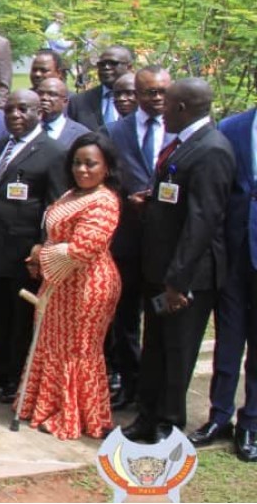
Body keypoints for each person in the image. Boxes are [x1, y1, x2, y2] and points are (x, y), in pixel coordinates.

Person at [125, 78, 235, 444]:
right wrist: (151, 201)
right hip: (160, 267)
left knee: (178, 351)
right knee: (155, 346)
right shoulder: (181, 146)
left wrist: (178, 282)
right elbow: (177, 200)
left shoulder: (212, 150)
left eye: (166, 103)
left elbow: (203, 221)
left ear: (183, 109)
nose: (158, 108)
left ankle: (167, 424)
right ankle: (146, 414)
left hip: (187, 277)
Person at [17, 133, 123, 439]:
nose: (83, 170)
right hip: (59, 283)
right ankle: (45, 405)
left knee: (77, 350)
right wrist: (41, 256)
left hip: (88, 285)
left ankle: (74, 413)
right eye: (77, 163)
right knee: (52, 344)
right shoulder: (71, 194)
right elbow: (56, 236)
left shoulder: (104, 201)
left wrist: (41, 253)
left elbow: (82, 249)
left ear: (107, 168)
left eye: (91, 164)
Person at [0, 90, 67, 403]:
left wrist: (41, 246)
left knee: (20, 317)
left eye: (23, 109)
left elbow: (55, 206)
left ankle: (16, 377)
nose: (15, 115)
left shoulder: (52, 152)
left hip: (25, 252)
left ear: (39, 112)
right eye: (10, 110)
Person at [101, 66, 172, 411]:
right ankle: (129, 384)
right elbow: (104, 181)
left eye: (161, 91)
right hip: (126, 241)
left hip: (166, 244)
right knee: (125, 319)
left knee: (161, 322)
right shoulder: (114, 132)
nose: (156, 98)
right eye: (149, 92)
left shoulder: (182, 131)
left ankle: (156, 391)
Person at [192, 99, 257, 460]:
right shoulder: (232, 128)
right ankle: (220, 416)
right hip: (233, 252)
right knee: (228, 338)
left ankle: (251, 421)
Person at [68, 46, 134, 131]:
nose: (106, 67)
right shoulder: (78, 102)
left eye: (112, 63)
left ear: (129, 67)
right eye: (101, 64)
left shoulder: (141, 98)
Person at [36, 78, 91, 149]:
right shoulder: (24, 129)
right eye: (40, 93)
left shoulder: (82, 134)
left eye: (52, 94)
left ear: (65, 102)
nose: (44, 98)